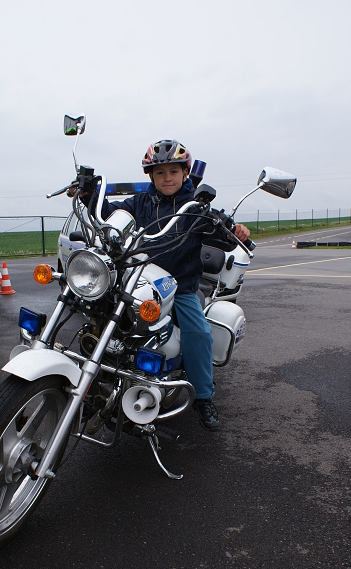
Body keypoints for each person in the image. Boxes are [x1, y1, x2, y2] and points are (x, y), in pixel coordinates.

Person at [72, 140, 250, 431]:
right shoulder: (140, 203)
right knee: (99, 310)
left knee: (198, 332)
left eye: (173, 172)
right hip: (139, 279)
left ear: (185, 173)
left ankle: (203, 396)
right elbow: (111, 214)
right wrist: (90, 195)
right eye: (160, 173)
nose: (167, 178)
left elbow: (224, 234)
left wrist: (235, 231)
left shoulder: (196, 207)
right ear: (151, 176)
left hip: (180, 286)